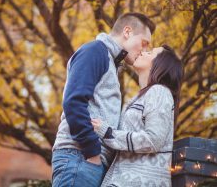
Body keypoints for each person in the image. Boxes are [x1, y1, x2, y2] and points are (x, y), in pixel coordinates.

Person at [51, 13, 156, 187]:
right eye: (144, 43)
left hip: (88, 161)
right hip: (80, 157)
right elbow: (73, 101)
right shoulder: (95, 51)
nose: (143, 50)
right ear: (127, 32)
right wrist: (92, 151)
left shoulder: (110, 62)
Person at [92, 45, 184, 187]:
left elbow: (153, 139)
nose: (143, 52)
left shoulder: (159, 92)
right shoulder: (140, 97)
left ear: (161, 65)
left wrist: (109, 133)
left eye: (150, 52)